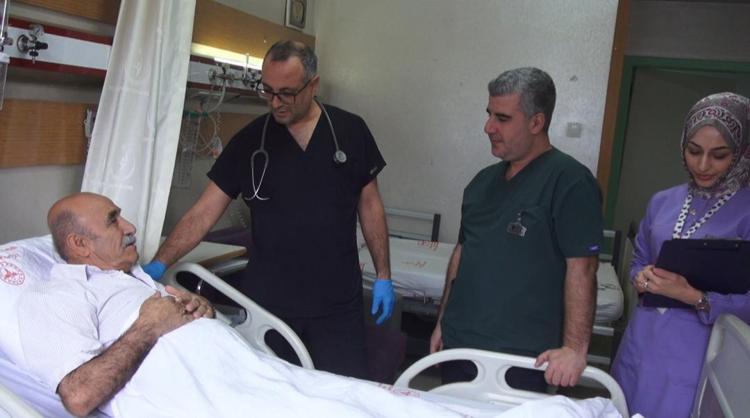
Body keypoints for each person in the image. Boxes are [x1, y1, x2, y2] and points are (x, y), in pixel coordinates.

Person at [14, 192, 516, 418]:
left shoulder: (129, 280)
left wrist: (198, 309)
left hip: (258, 377)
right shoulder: (59, 292)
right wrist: (149, 326)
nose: (130, 227)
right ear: (79, 245)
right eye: (113, 219)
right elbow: (78, 396)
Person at [143, 41, 394, 379]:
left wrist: (383, 275)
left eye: (287, 93)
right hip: (269, 306)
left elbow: (371, 205)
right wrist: (161, 262)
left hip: (337, 303)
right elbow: (203, 212)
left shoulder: (349, 132)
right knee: (271, 393)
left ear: (313, 85)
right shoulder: (250, 142)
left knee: (344, 393)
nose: (275, 102)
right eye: (268, 91)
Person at [430, 67, 603, 391]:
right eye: (489, 114)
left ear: (536, 122)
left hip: (520, 356)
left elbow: (583, 268)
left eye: (503, 118)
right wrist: (443, 321)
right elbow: (463, 253)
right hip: (459, 343)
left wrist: (574, 349)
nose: (488, 127)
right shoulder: (482, 183)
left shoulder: (570, 182)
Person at [611, 92, 750, 418]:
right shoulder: (663, 201)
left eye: (719, 155)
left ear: (744, 152)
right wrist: (640, 276)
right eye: (693, 151)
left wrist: (696, 298)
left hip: (698, 352)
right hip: (643, 340)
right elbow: (639, 259)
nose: (702, 165)